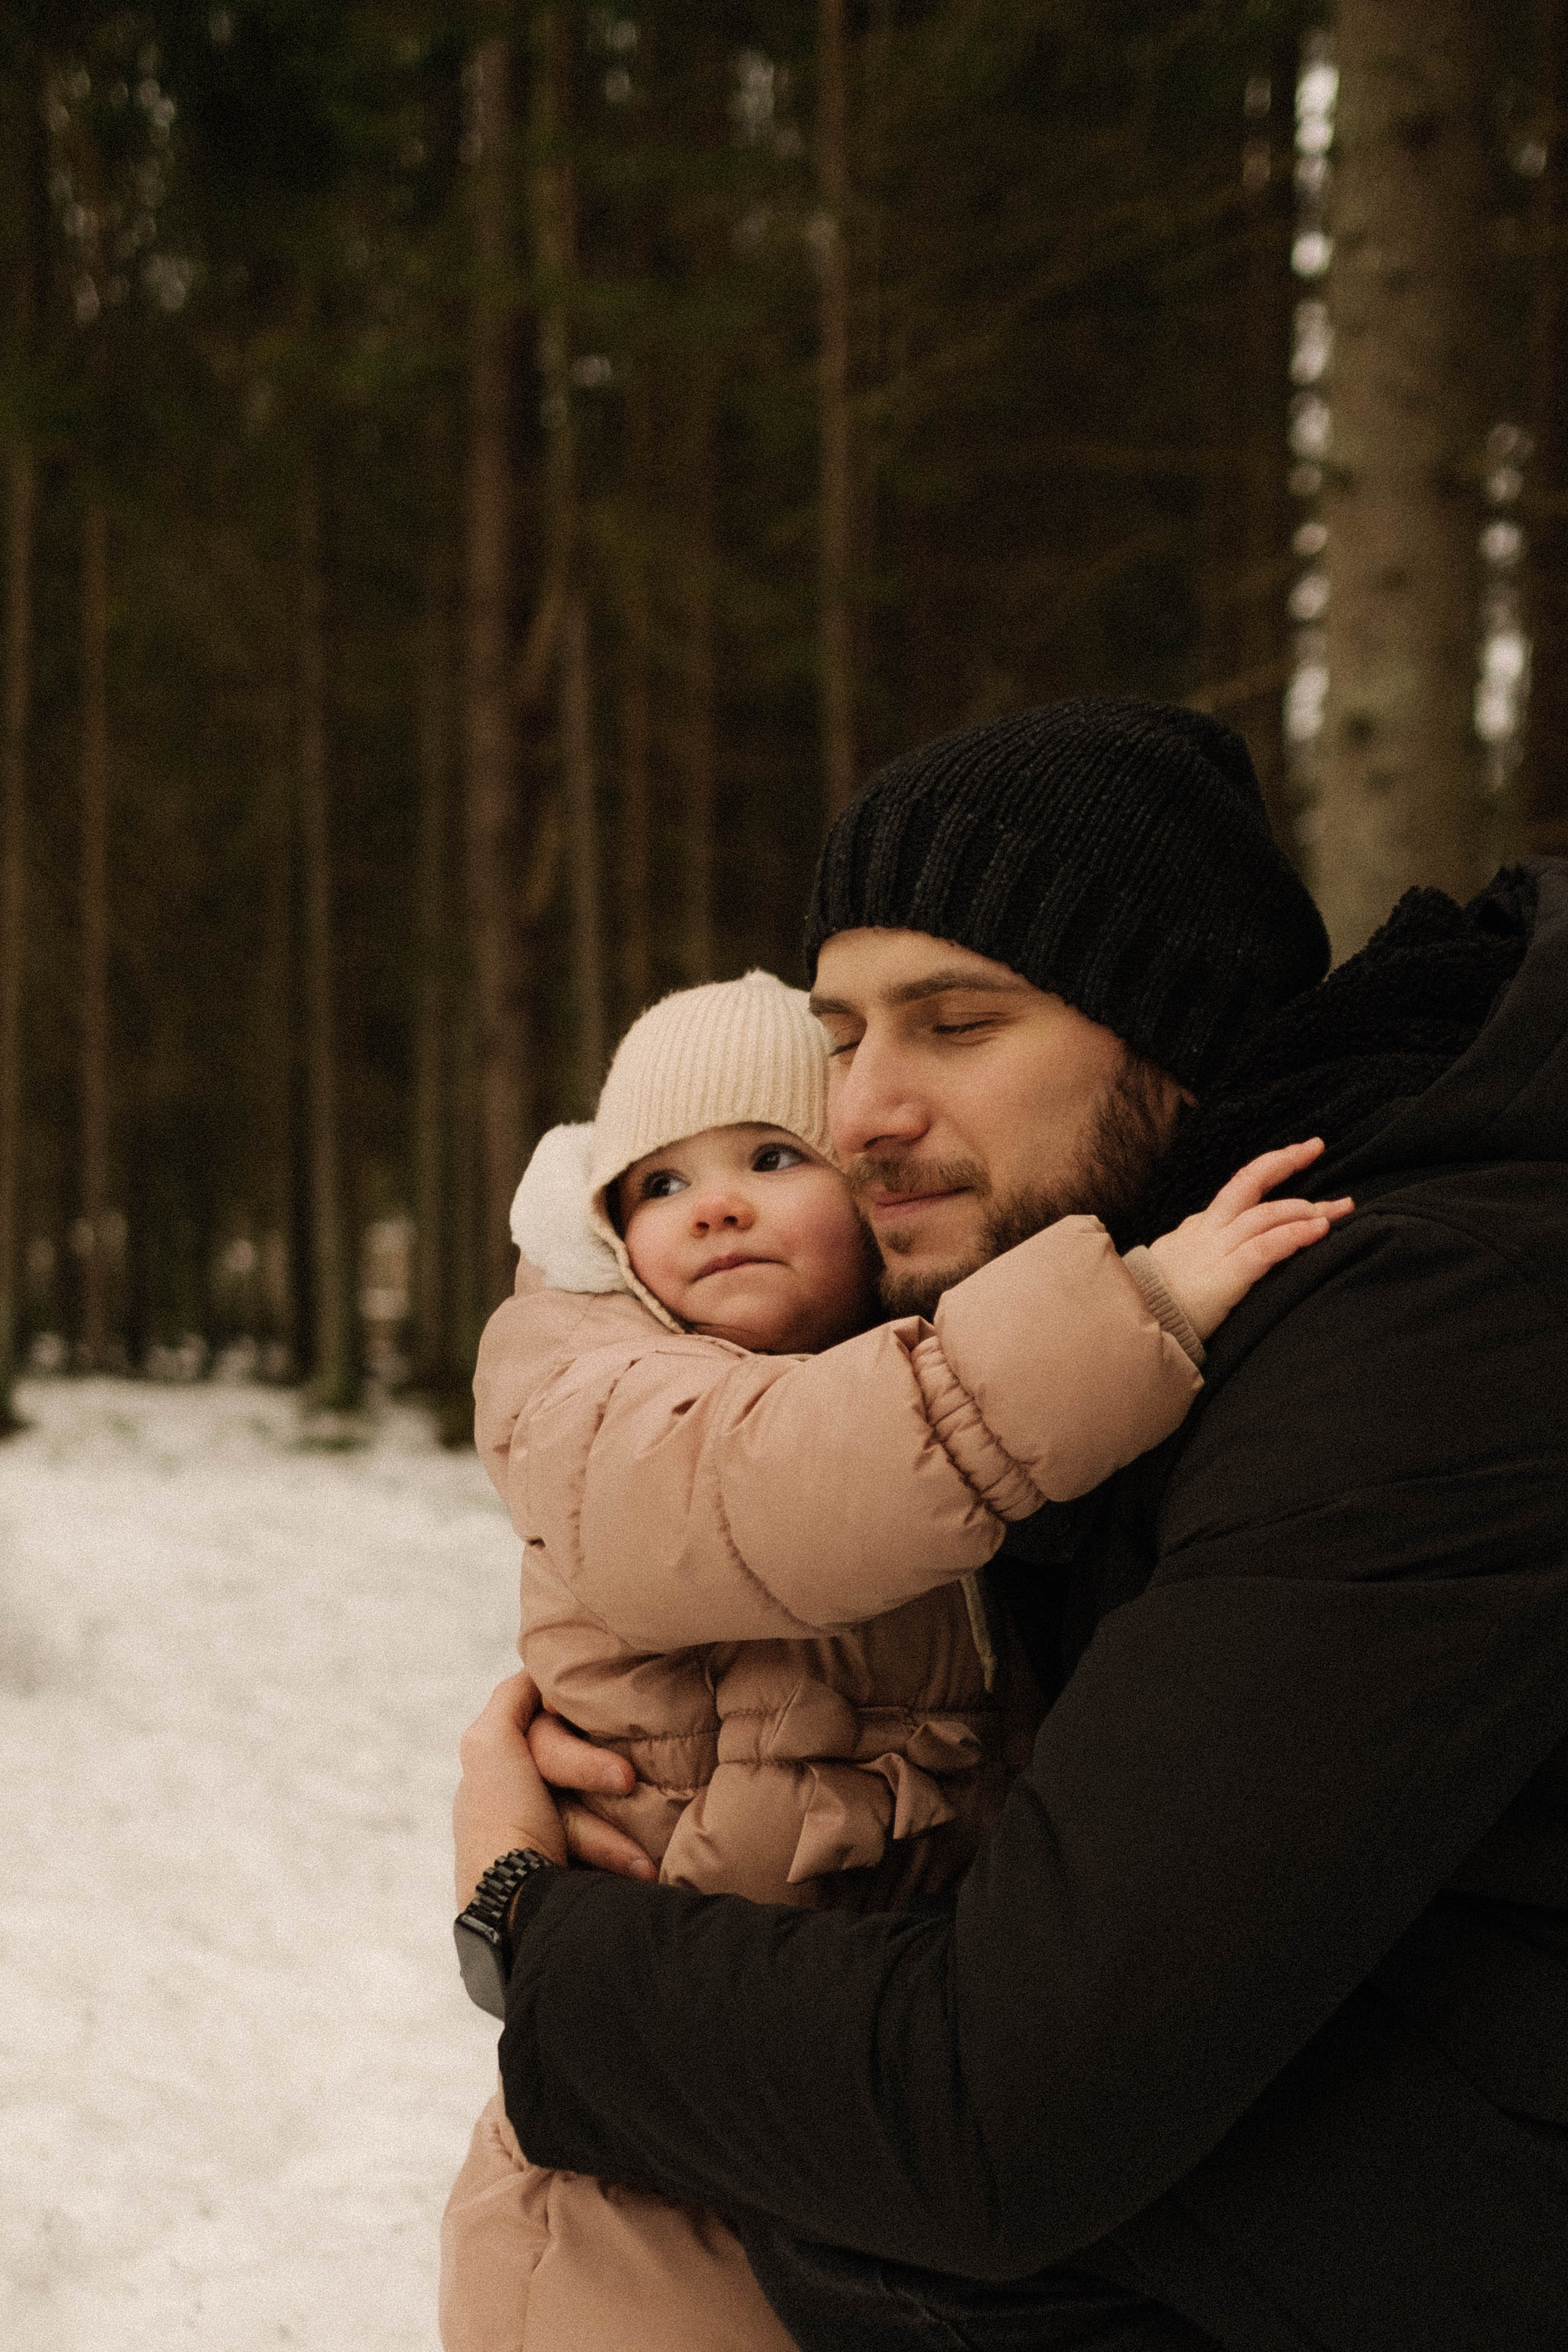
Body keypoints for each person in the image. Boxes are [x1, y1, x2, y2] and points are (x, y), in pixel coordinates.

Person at [454, 699, 1568, 2351]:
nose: (863, 1113)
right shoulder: (1113, 1327)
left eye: (957, 1026)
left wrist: (532, 1928)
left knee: (862, 2226)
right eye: (844, 1037)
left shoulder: (1421, 1331)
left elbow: (996, 2108)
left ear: (1173, 1036)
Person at [442, 962, 1345, 2352]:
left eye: (770, 1154)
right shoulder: (583, 1376)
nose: (715, 1204)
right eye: (658, 1185)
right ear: (608, 1232)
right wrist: (1134, 1308)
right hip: (636, 2155)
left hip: (833, 2093)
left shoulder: (901, 1379)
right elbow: (765, 1488)